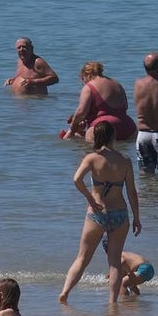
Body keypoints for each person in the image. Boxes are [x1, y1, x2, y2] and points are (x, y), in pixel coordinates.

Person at [60, 122, 141, 303]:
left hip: (97, 213)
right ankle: (113, 301)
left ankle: (65, 292)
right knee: (114, 262)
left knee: (82, 258)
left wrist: (89, 197)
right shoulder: (125, 161)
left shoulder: (91, 158)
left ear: (95, 137)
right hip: (119, 213)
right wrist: (137, 217)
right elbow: (132, 192)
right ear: (112, 137)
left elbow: (76, 180)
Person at [64, 61, 136, 143]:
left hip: (103, 127)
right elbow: (125, 107)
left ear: (87, 75)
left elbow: (81, 112)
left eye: (82, 79)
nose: (83, 82)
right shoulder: (117, 84)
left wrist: (72, 130)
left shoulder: (89, 87)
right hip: (128, 126)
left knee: (90, 152)